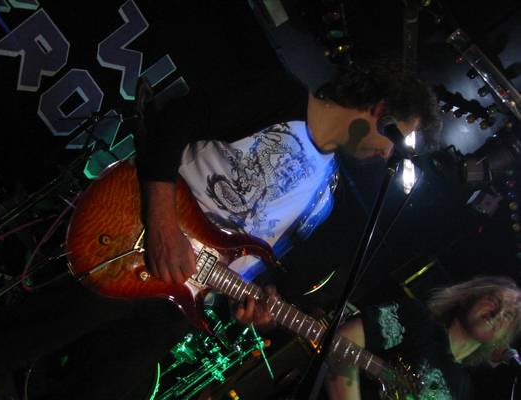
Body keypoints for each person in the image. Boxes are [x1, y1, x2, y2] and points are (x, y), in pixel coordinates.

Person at [136, 56, 440, 327]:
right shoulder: (280, 93)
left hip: (174, 304)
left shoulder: (328, 196)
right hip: (133, 228)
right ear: (381, 109)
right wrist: (162, 223)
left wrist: (252, 304)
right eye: (397, 139)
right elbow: (172, 122)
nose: (388, 155)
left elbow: (251, 260)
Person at [325, 276, 521, 400]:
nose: (498, 313)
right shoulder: (417, 319)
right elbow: (344, 340)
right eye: (494, 300)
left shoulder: (463, 387)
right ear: (467, 297)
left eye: (508, 315)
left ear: (503, 337)